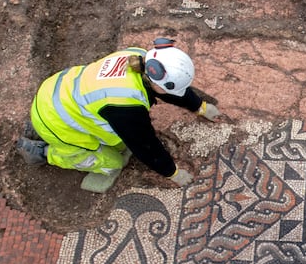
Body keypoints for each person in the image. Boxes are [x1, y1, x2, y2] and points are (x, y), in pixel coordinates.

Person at [15, 37, 222, 192]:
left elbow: (165, 89)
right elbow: (146, 147)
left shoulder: (139, 56)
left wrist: (200, 106)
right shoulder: (126, 107)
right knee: (113, 162)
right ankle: (42, 153)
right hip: (57, 121)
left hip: (55, 92)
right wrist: (172, 172)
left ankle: (38, 125)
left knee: (116, 141)